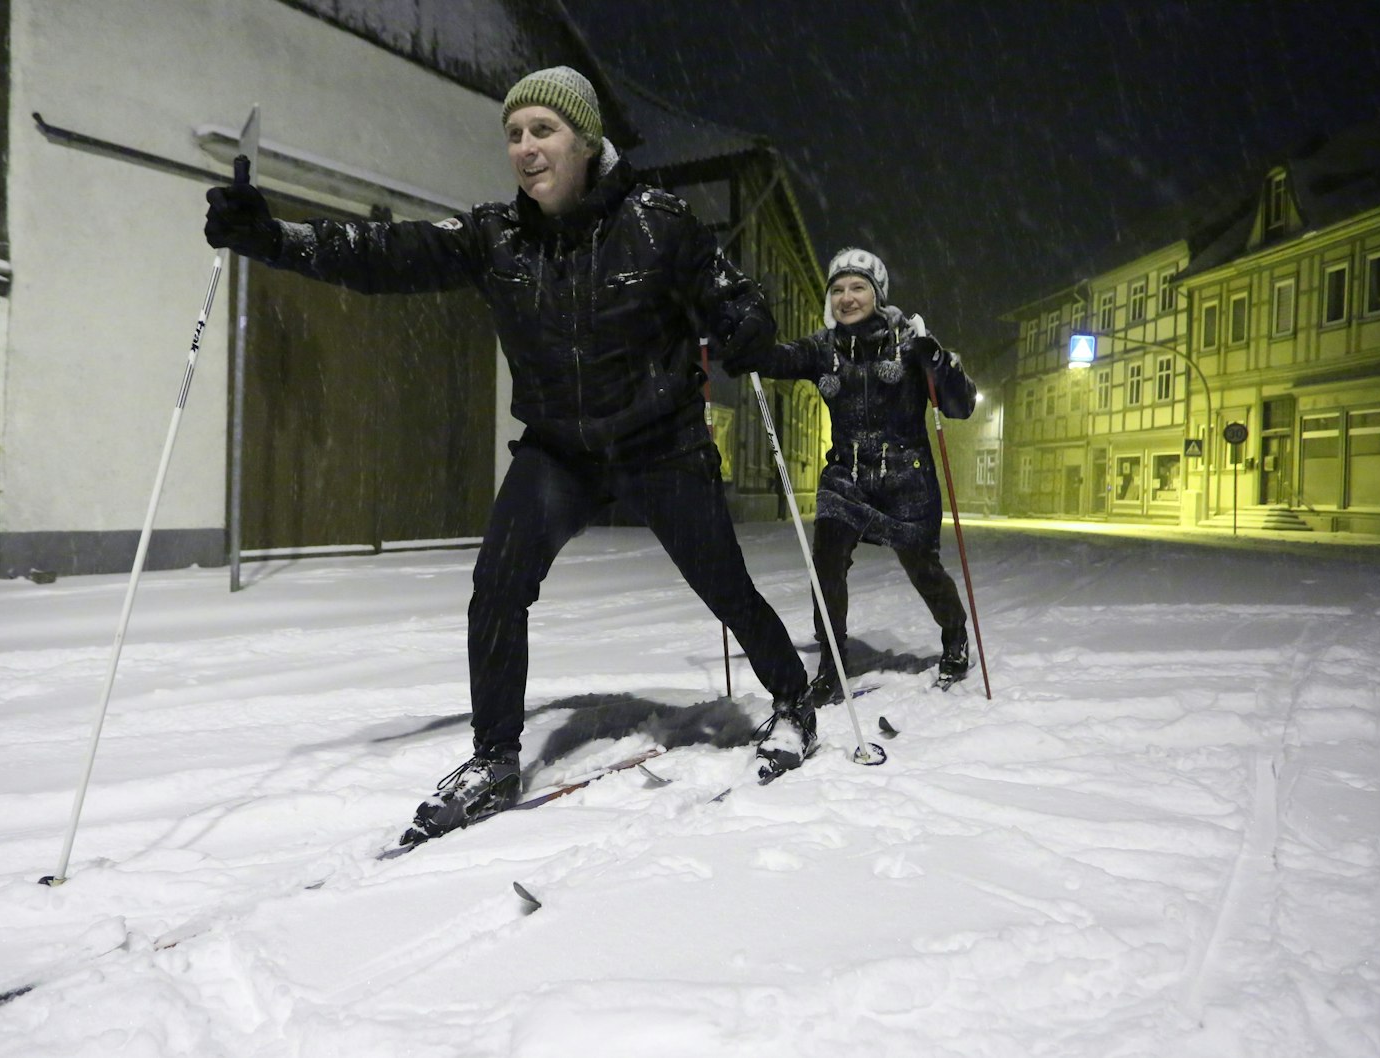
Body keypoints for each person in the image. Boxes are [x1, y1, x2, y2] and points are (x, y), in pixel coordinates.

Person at [202, 67, 818, 836]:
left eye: (543, 131)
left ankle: (794, 700)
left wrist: (746, 323)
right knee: (497, 583)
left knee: (723, 585)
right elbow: (389, 253)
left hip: (660, 444)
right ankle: (493, 759)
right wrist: (276, 239)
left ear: (587, 142)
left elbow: (731, 292)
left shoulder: (660, 222)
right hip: (560, 450)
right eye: (515, 134)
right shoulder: (496, 237)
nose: (525, 148)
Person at [725, 248, 977, 703]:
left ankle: (955, 633)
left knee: (923, 568)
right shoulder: (823, 348)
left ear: (877, 294)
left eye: (857, 287)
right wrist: (741, 339)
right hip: (846, 474)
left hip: (906, 477)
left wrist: (938, 361)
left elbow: (961, 406)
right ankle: (832, 661)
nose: (846, 297)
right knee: (826, 563)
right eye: (837, 289)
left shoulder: (910, 342)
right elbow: (774, 359)